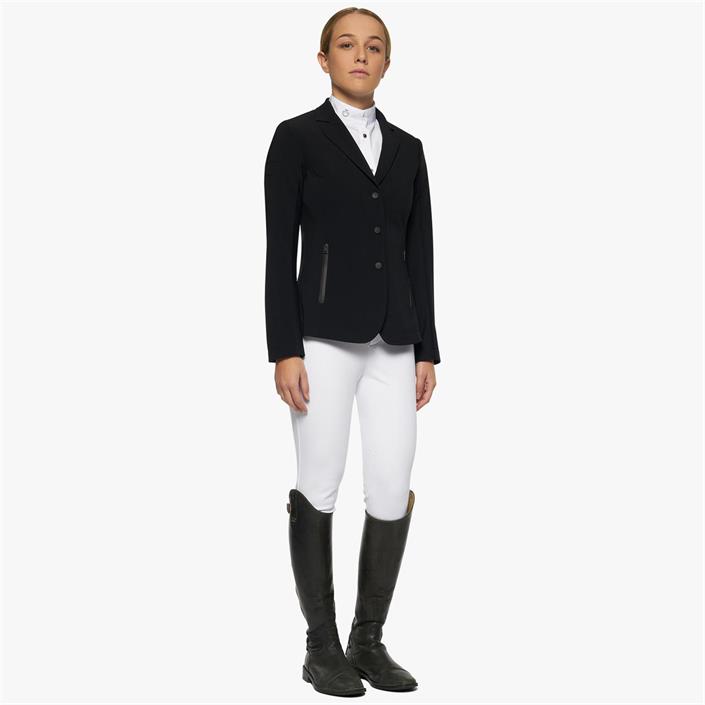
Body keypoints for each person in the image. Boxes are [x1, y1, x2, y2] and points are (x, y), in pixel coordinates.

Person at [263, 6, 440, 697]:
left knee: (391, 486)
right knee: (319, 482)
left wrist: (427, 348)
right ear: (324, 59)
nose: (360, 55)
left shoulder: (409, 150)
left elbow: (419, 253)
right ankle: (321, 645)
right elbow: (280, 250)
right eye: (346, 44)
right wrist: (284, 347)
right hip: (321, 338)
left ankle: (368, 640)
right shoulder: (296, 139)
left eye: (373, 47)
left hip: (395, 340)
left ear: (387, 64)